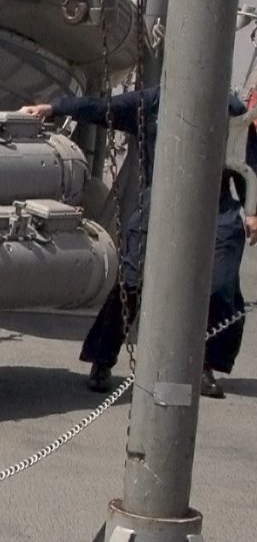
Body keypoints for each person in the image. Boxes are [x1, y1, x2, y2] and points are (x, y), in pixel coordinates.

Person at [21, 87, 257, 396]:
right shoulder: (152, 103)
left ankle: (204, 365)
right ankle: (102, 360)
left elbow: (249, 160)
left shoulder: (231, 108)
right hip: (160, 202)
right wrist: (52, 108)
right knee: (131, 284)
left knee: (221, 287)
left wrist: (253, 210)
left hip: (215, 206)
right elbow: (101, 107)